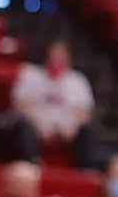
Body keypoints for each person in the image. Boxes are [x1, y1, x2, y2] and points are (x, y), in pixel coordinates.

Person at [8, 40, 96, 168]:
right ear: (47, 55)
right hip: (36, 126)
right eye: (55, 54)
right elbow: (21, 104)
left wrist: (72, 127)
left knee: (87, 130)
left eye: (62, 55)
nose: (57, 58)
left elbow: (84, 110)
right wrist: (38, 125)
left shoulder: (77, 79)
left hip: (67, 130)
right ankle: (31, 164)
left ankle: (84, 170)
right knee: (21, 125)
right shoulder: (30, 74)